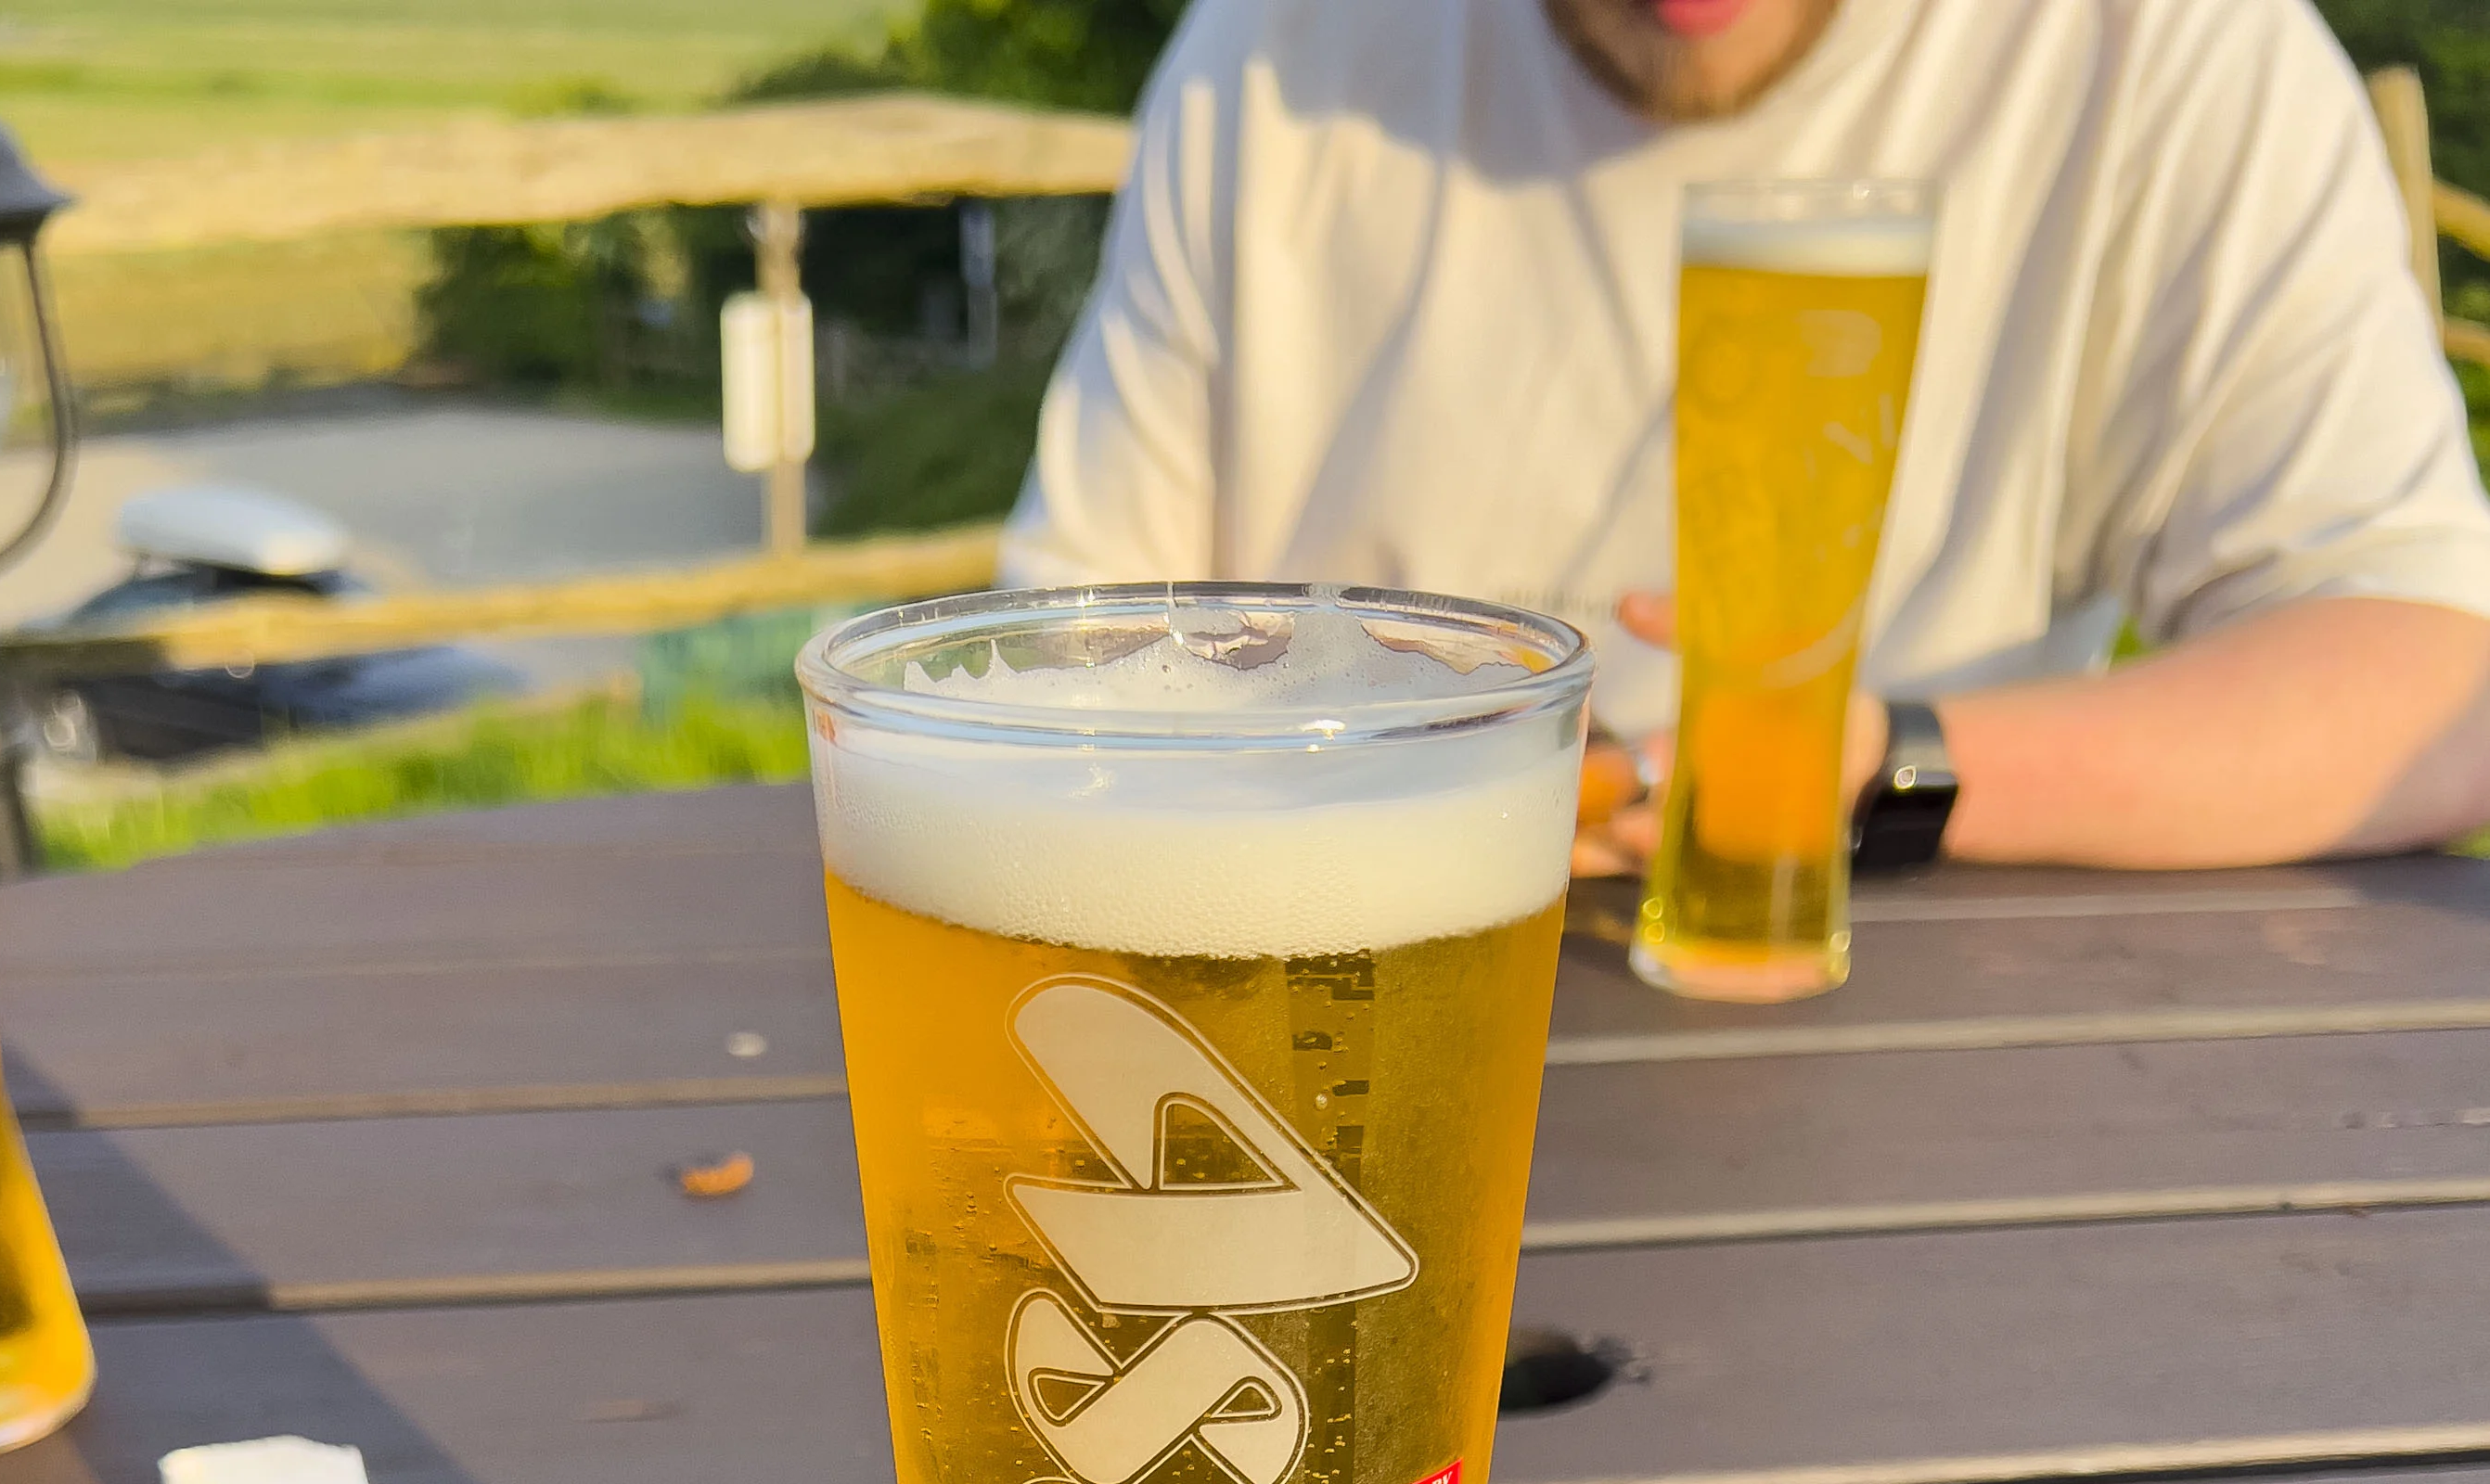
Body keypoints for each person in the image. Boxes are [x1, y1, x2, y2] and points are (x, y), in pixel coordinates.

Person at [1000, 0, 2490, 872]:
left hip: (1922, 1049)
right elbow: (1057, 697)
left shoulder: (2166, 51)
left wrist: (1859, 768)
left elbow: (2438, 684)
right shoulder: (1272, 48)